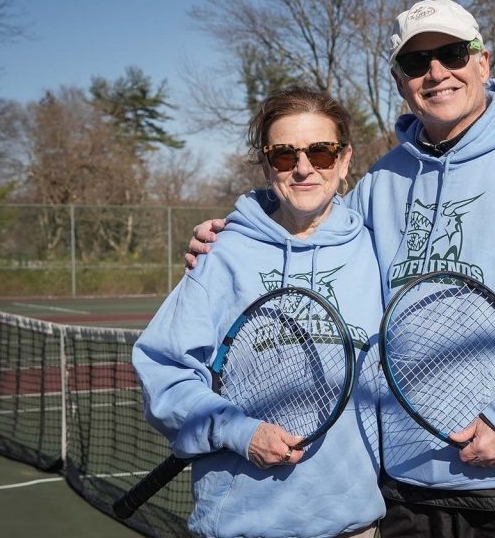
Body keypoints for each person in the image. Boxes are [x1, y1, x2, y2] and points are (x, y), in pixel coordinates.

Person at [187, 0, 495, 538]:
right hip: (402, 488)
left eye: (452, 53)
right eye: (417, 63)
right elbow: (311, 221)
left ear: (482, 62)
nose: (436, 72)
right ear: (399, 80)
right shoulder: (380, 183)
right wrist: (241, 228)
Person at [135, 86, 384, 538]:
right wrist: (240, 433)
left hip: (353, 526)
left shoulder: (376, 251)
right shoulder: (222, 253)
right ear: (268, 165)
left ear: (345, 160)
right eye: (285, 155)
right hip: (241, 526)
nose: (304, 167)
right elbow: (163, 373)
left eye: (322, 152)